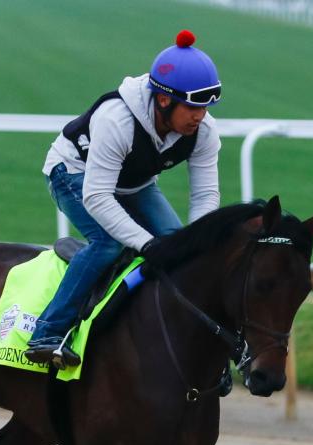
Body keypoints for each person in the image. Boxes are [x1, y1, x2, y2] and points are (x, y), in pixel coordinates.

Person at [24, 29, 222, 368]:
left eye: (205, 107)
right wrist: (146, 244)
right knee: (107, 244)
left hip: (134, 184)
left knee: (179, 250)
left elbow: (205, 194)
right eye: (192, 107)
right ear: (163, 100)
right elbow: (98, 196)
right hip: (74, 174)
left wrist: (196, 242)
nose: (200, 116)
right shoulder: (116, 120)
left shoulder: (203, 131)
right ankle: (47, 334)